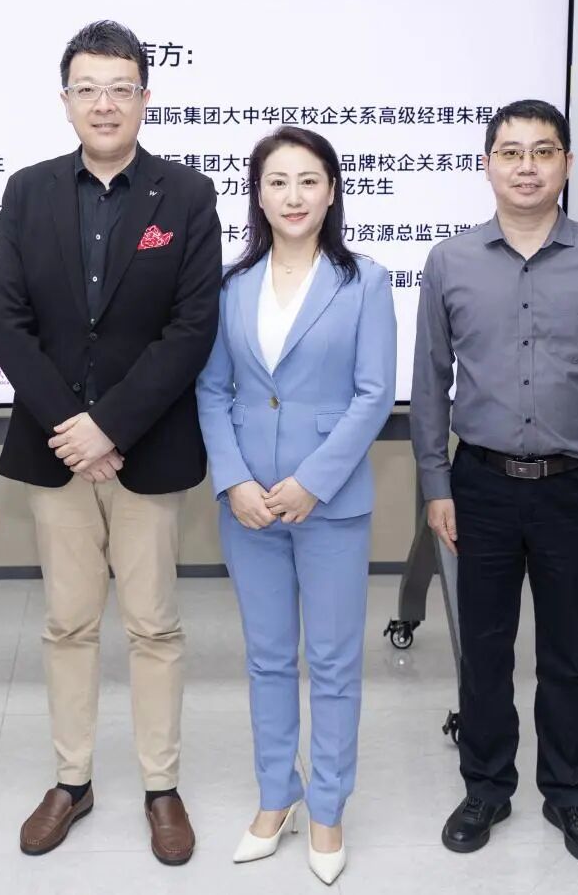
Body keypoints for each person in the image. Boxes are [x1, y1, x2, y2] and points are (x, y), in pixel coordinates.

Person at [0, 20, 221, 865]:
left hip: (147, 451)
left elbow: (192, 328)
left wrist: (112, 426)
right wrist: (75, 431)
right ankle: (72, 780)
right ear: (65, 100)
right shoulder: (29, 191)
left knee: (154, 626)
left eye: (121, 88)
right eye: (88, 89)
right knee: (68, 623)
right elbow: (7, 322)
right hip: (58, 455)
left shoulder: (187, 196)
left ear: (145, 97)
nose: (105, 104)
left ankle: (161, 786)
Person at [411, 99, 578, 867]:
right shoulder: (449, 262)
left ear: (567, 164)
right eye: (511, 152)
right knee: (484, 652)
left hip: (574, 490)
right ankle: (486, 787)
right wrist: (436, 484)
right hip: (479, 485)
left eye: (543, 151)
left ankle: (569, 796)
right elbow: (430, 383)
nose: (527, 166)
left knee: (569, 654)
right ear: (487, 163)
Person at [195, 126, 396, 884]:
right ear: (258, 194)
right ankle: (276, 795)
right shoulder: (230, 284)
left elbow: (374, 394)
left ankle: (328, 807)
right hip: (249, 504)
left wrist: (314, 480)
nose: (293, 196)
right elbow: (213, 389)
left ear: (332, 191)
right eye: (277, 182)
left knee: (335, 661)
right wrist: (233, 480)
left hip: (329, 503)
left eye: (308, 180)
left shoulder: (364, 281)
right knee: (268, 657)